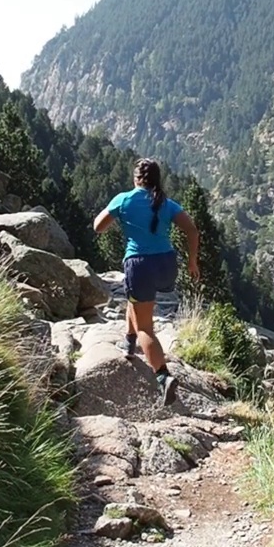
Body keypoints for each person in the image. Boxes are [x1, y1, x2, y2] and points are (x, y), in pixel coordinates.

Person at [93, 158, 200, 405]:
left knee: (146, 327)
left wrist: (118, 213)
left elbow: (98, 227)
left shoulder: (124, 199)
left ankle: (163, 376)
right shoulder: (166, 202)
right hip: (166, 264)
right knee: (135, 298)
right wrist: (193, 262)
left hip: (140, 264)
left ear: (136, 179)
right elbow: (192, 230)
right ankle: (129, 342)